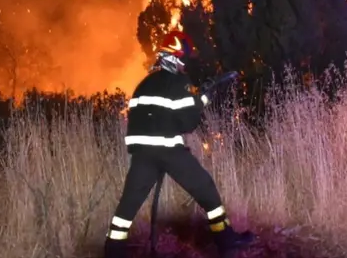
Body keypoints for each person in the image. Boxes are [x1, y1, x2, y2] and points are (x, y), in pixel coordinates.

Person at [104, 30, 254, 258]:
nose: (185, 66)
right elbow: (187, 123)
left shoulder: (143, 84)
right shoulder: (178, 82)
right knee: (206, 189)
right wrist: (201, 101)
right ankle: (225, 240)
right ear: (173, 58)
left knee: (127, 206)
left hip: (141, 154)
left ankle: (112, 251)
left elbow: (146, 118)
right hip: (168, 151)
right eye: (183, 60)